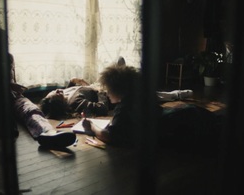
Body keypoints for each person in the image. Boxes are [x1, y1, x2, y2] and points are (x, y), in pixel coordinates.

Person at [82, 64, 222, 154]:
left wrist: (92, 126)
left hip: (186, 129)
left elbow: (111, 136)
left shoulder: (124, 107)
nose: (106, 93)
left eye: (107, 90)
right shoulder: (143, 98)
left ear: (116, 89)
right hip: (189, 113)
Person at [9, 53, 76, 148]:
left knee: (32, 110)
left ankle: (48, 133)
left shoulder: (9, 57)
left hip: (15, 96)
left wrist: (15, 87)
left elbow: (13, 81)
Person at [39, 77, 110, 120]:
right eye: (58, 94)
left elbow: (70, 91)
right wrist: (101, 92)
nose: (58, 90)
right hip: (109, 92)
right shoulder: (76, 102)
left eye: (53, 91)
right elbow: (102, 108)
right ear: (60, 104)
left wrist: (72, 82)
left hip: (96, 85)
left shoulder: (63, 95)